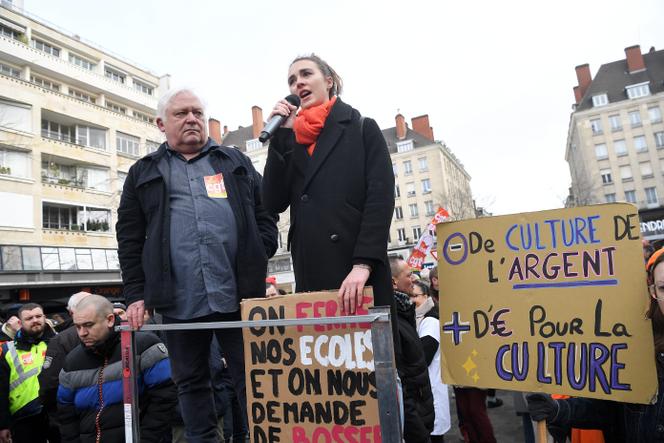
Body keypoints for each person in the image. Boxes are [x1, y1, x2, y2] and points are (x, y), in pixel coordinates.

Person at [116, 87, 278, 442]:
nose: (192, 119)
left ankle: (256, 437)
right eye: (181, 114)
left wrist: (258, 250)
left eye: (197, 113)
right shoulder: (143, 172)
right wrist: (135, 295)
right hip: (179, 301)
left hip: (236, 296)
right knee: (190, 383)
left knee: (252, 379)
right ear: (161, 124)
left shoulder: (234, 161)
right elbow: (129, 239)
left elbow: (265, 211)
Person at [262, 54, 395, 317]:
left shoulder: (361, 128)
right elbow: (273, 202)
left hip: (356, 269)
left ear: (329, 81)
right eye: (292, 80)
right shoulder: (290, 137)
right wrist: (280, 138)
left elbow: (380, 200)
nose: (298, 83)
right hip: (311, 271)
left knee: (369, 354)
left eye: (306, 74)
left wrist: (363, 263)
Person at [527, 247, 664, 443]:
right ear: (653, 292)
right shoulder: (638, 347)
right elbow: (610, 410)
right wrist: (560, 410)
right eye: (663, 288)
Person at [57, 294, 176, 442]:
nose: (82, 333)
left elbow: (165, 398)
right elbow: (66, 416)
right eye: (78, 327)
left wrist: (146, 439)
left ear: (110, 320)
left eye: (88, 325)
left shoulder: (144, 345)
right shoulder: (72, 362)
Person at [390, 257, 435, 442]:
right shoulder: (392, 320)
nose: (414, 279)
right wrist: (419, 433)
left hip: (420, 413)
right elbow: (401, 383)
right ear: (394, 282)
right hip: (414, 423)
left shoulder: (402, 311)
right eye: (409, 275)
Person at [0, 303, 57, 443]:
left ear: (44, 317)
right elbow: (1, 391)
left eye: (38, 316)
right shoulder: (8, 350)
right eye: (29, 318)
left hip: (57, 412)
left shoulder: (59, 342)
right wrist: (3, 425)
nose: (35, 320)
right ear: (20, 322)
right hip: (24, 417)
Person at [39, 292, 91, 431]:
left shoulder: (61, 339)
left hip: (72, 415)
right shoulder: (115, 331)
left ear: (70, 312)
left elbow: (49, 382)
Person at [411, 281, 451, 442]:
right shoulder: (416, 319)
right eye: (409, 295)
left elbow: (423, 358)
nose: (411, 300)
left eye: (415, 296)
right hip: (425, 393)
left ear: (426, 296)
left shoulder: (430, 322)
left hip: (431, 390)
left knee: (434, 437)